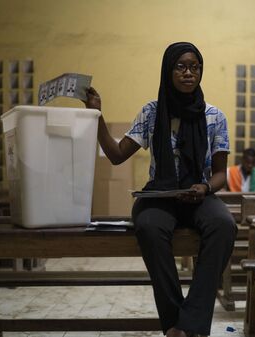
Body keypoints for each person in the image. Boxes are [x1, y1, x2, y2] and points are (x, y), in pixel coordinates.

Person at [84, 42, 236, 337]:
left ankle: (188, 321)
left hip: (199, 193)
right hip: (160, 194)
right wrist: (97, 115)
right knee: (149, 227)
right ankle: (175, 324)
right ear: (168, 71)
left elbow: (220, 174)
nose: (188, 73)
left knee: (224, 224)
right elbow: (116, 155)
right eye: (181, 66)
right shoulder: (152, 112)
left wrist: (204, 188)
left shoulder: (214, 116)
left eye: (195, 67)